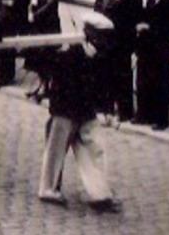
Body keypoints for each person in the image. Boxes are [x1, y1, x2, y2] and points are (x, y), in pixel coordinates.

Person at [38, 16, 121, 212]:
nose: (103, 44)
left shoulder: (101, 55)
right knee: (55, 151)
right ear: (91, 36)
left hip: (85, 111)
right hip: (65, 111)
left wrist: (104, 109)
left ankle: (99, 194)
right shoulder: (69, 55)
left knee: (94, 149)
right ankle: (48, 189)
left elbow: (102, 85)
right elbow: (57, 84)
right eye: (101, 38)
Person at [133, 0, 169, 130]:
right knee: (144, 82)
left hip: (160, 50)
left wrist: (149, 28)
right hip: (146, 49)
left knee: (160, 84)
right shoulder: (150, 2)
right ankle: (144, 114)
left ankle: (161, 119)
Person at [25, 0, 60, 101]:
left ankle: (46, 87)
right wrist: (29, 12)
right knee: (37, 56)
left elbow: (51, 3)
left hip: (46, 23)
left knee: (45, 56)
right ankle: (40, 84)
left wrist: (36, 15)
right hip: (36, 22)